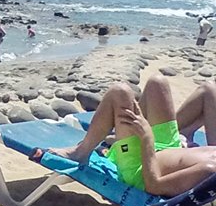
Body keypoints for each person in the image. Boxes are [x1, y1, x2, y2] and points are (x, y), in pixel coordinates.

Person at [52, 72, 216, 196]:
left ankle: (80, 152)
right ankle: (120, 136)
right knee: (158, 82)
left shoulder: (210, 170)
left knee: (120, 92)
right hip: (170, 146)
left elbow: (154, 185)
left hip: (140, 166)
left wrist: (146, 139)